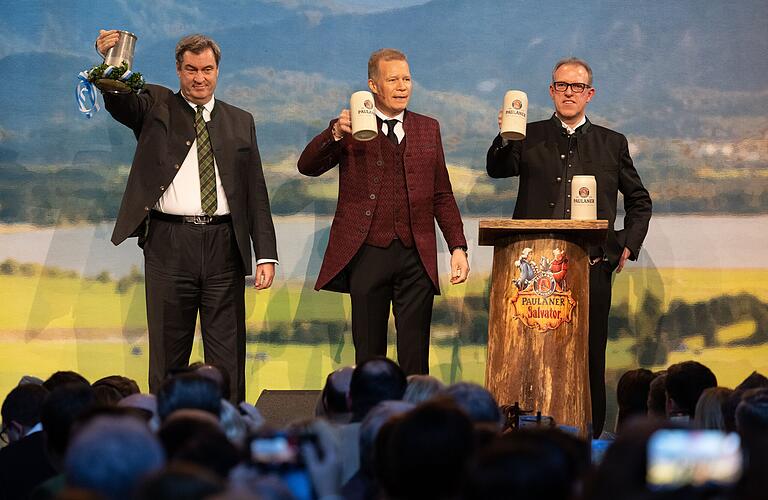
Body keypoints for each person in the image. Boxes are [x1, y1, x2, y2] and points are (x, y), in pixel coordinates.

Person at [95, 30, 278, 402]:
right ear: (178, 71)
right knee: (167, 354)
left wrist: (266, 254)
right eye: (191, 69)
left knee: (227, 358)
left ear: (217, 70)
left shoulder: (241, 121)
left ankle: (230, 433)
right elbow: (120, 101)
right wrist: (112, 61)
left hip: (225, 246)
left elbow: (255, 192)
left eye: (207, 69)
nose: (200, 78)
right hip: (168, 244)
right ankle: (164, 437)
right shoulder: (155, 105)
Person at [486, 57, 652, 437]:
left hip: (591, 265)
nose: (569, 93)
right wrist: (504, 137)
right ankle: (520, 432)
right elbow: (497, 169)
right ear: (551, 91)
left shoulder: (612, 143)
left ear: (589, 94)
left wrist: (626, 244)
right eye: (562, 86)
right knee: (528, 351)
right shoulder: (526, 135)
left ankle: (590, 437)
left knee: (590, 355)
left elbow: (640, 201)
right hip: (532, 275)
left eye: (577, 87)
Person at [298, 48, 469, 375]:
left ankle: (415, 420)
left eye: (406, 79)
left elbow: (442, 194)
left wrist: (457, 246)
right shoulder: (350, 127)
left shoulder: (428, 128)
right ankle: (369, 420)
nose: (403, 86)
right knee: (369, 352)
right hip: (367, 253)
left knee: (415, 354)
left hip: (416, 255)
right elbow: (307, 167)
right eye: (393, 80)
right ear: (373, 86)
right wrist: (334, 133)